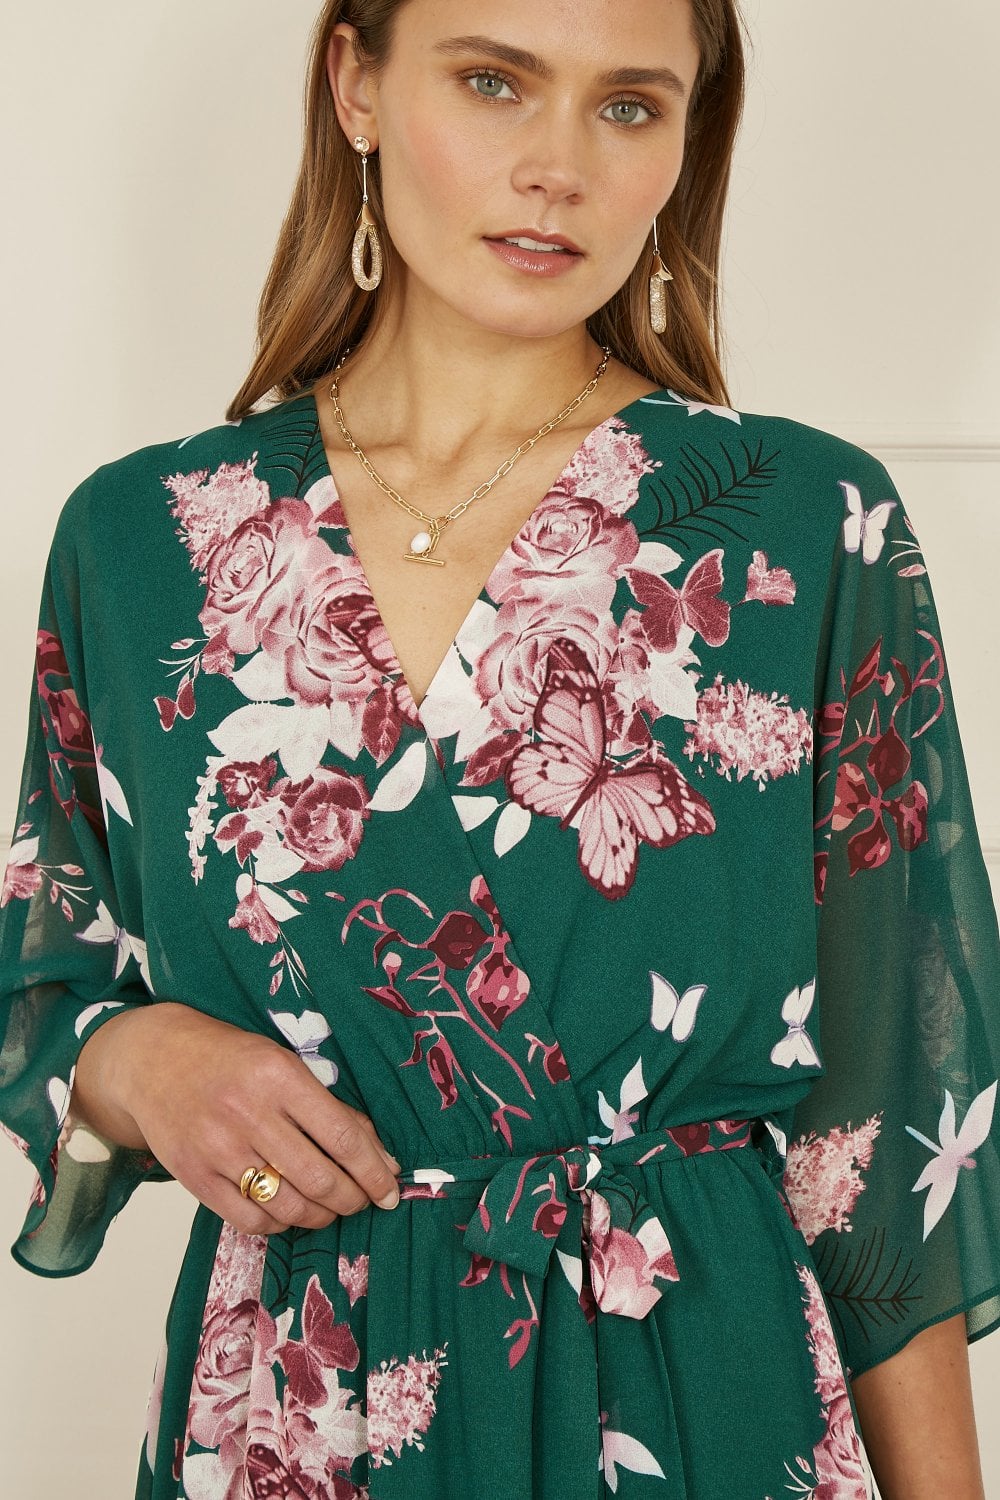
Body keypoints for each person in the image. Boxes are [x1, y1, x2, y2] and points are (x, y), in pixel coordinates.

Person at [1, 1, 998, 1495]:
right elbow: (43, 969)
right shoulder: (141, 541)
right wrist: (134, 1060)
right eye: (492, 82)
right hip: (300, 1413)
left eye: (629, 106)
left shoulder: (804, 529)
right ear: (355, 83)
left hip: (706, 1404)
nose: (559, 168)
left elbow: (886, 1132)